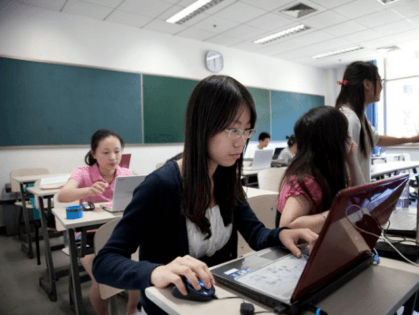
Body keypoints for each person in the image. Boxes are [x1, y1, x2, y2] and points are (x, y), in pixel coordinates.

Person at [92, 75, 318, 315]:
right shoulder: (160, 186)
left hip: (218, 302)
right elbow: (105, 262)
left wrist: (282, 235)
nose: (241, 143)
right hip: (171, 308)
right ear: (203, 125)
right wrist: (155, 272)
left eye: (246, 131)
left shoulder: (227, 178)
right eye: (233, 130)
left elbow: (255, 233)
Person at [59, 129, 141, 315]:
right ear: (94, 153)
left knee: (138, 268)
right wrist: (88, 191)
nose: (113, 157)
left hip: (120, 233)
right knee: (100, 278)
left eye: (117, 151)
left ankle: (131, 310)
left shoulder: (126, 173)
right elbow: (63, 195)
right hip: (88, 236)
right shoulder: (83, 172)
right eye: (105, 152)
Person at [276, 106, 366, 233]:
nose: (350, 139)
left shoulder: (326, 172)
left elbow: (359, 201)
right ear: (331, 142)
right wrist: (338, 214)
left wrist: (353, 162)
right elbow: (286, 227)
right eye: (345, 133)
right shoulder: (307, 180)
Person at [335, 61, 419, 183]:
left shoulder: (359, 115)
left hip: (359, 195)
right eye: (380, 80)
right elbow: (344, 168)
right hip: (354, 198)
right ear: (367, 84)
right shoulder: (350, 118)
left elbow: (378, 139)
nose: (381, 86)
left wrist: (411, 139)